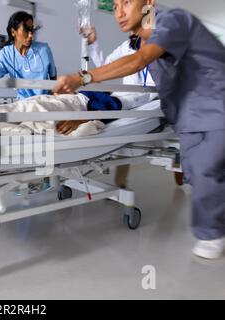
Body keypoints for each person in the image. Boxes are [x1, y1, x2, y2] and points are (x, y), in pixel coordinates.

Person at [54, 0, 225, 259]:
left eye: (127, 2)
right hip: (188, 115)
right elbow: (123, 64)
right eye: (114, 6)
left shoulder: (173, 21)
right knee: (197, 174)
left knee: (207, 171)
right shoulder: (143, 41)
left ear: (148, 3)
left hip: (215, 106)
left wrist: (81, 78)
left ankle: (212, 234)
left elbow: (139, 61)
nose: (119, 12)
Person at [83, 24, 158, 189]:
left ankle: (121, 181)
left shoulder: (158, 49)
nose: (132, 32)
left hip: (148, 100)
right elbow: (105, 65)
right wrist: (93, 44)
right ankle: (119, 178)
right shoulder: (126, 47)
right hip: (127, 98)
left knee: (126, 132)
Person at [0, 11, 57, 106]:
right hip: (23, 104)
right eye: (26, 30)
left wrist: (55, 97)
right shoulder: (5, 54)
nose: (30, 35)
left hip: (45, 102)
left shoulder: (44, 49)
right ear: (13, 32)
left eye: (31, 30)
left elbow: (54, 77)